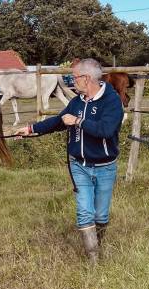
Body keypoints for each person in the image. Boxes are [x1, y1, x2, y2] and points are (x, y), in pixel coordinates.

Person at [16, 58, 124, 263]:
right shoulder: (76, 102)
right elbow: (58, 121)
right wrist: (31, 129)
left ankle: (97, 243)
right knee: (84, 212)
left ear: (86, 78)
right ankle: (93, 262)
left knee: (101, 215)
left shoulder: (112, 102)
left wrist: (78, 121)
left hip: (105, 167)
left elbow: (106, 130)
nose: (71, 81)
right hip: (79, 165)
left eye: (73, 77)